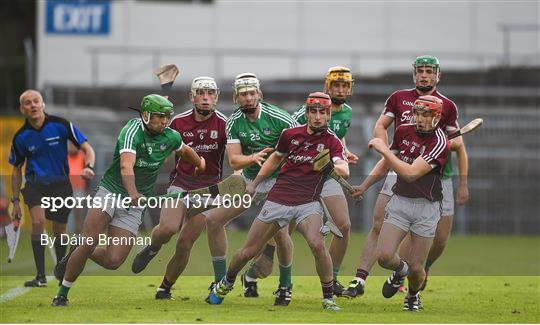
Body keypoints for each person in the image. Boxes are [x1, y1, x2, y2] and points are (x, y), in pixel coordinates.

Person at [51, 94, 205, 306]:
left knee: (113, 261)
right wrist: (132, 193)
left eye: (166, 117)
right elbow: (126, 166)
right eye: (159, 116)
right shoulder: (131, 131)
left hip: (135, 204)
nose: (164, 121)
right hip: (112, 192)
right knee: (90, 241)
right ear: (146, 115)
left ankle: (77, 245)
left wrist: (200, 163)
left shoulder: (171, 136)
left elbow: (185, 150)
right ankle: (61, 294)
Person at [207, 92, 349, 311]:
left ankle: (328, 297)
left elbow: (344, 169)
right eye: (313, 112)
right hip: (279, 198)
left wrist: (331, 167)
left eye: (322, 112)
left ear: (329, 114)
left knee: (317, 244)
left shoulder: (332, 141)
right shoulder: (290, 134)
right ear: (308, 113)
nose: (318, 117)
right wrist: (255, 183)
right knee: (248, 251)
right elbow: (274, 159)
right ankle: (226, 282)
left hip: (307, 203)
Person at [342, 55, 468, 298]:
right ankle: (360, 279)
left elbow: (458, 144)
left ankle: (416, 271)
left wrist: (462, 182)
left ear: (437, 75)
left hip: (435, 176)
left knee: (439, 240)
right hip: (400, 166)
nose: (424, 75)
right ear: (414, 74)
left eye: (429, 71)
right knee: (379, 222)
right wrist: (387, 150)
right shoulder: (399, 98)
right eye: (420, 70)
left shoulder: (447, 106)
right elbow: (380, 127)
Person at [203, 73, 297, 305]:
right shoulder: (234, 122)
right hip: (249, 180)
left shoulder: (280, 118)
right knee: (213, 220)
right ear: (236, 97)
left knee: (281, 233)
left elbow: (300, 145)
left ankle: (285, 286)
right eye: (243, 94)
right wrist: (254, 157)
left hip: (279, 181)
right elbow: (235, 161)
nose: (248, 98)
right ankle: (219, 280)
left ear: (259, 95)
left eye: (252, 93)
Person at [350, 95, 450, 311]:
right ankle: (400, 271)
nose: (421, 119)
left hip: (427, 208)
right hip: (400, 202)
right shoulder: (404, 130)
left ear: (437, 117)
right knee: (385, 257)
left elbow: (411, 173)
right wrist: (364, 185)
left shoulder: (440, 143)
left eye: (427, 114)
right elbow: (387, 164)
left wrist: (383, 148)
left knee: (417, 268)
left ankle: (413, 295)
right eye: (418, 113)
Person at [131, 77, 227, 300]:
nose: (205, 97)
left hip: (208, 191)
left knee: (185, 243)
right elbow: (159, 145)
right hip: (181, 184)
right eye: (200, 93)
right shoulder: (177, 122)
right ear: (191, 97)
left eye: (210, 93)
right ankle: (152, 248)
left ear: (217, 97)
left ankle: (164, 287)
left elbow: (234, 152)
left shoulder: (224, 124)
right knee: (167, 229)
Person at [9, 89, 95, 287]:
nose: (32, 105)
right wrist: (15, 201)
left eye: (36, 101)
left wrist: (89, 166)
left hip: (60, 186)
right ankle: (40, 277)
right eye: (27, 103)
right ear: (22, 109)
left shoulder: (61, 124)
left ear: (42, 104)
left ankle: (60, 269)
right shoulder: (21, 137)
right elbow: (16, 169)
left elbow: (87, 148)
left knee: (60, 230)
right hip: (34, 186)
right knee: (38, 222)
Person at [291, 66, 359, 295]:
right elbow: (290, 138)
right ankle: (255, 276)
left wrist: (345, 152)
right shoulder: (307, 109)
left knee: (344, 226)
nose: (340, 89)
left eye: (344, 85)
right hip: (300, 176)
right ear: (327, 86)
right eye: (335, 85)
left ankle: (333, 279)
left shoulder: (347, 111)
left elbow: (338, 137)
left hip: (326, 175)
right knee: (281, 229)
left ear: (350, 89)